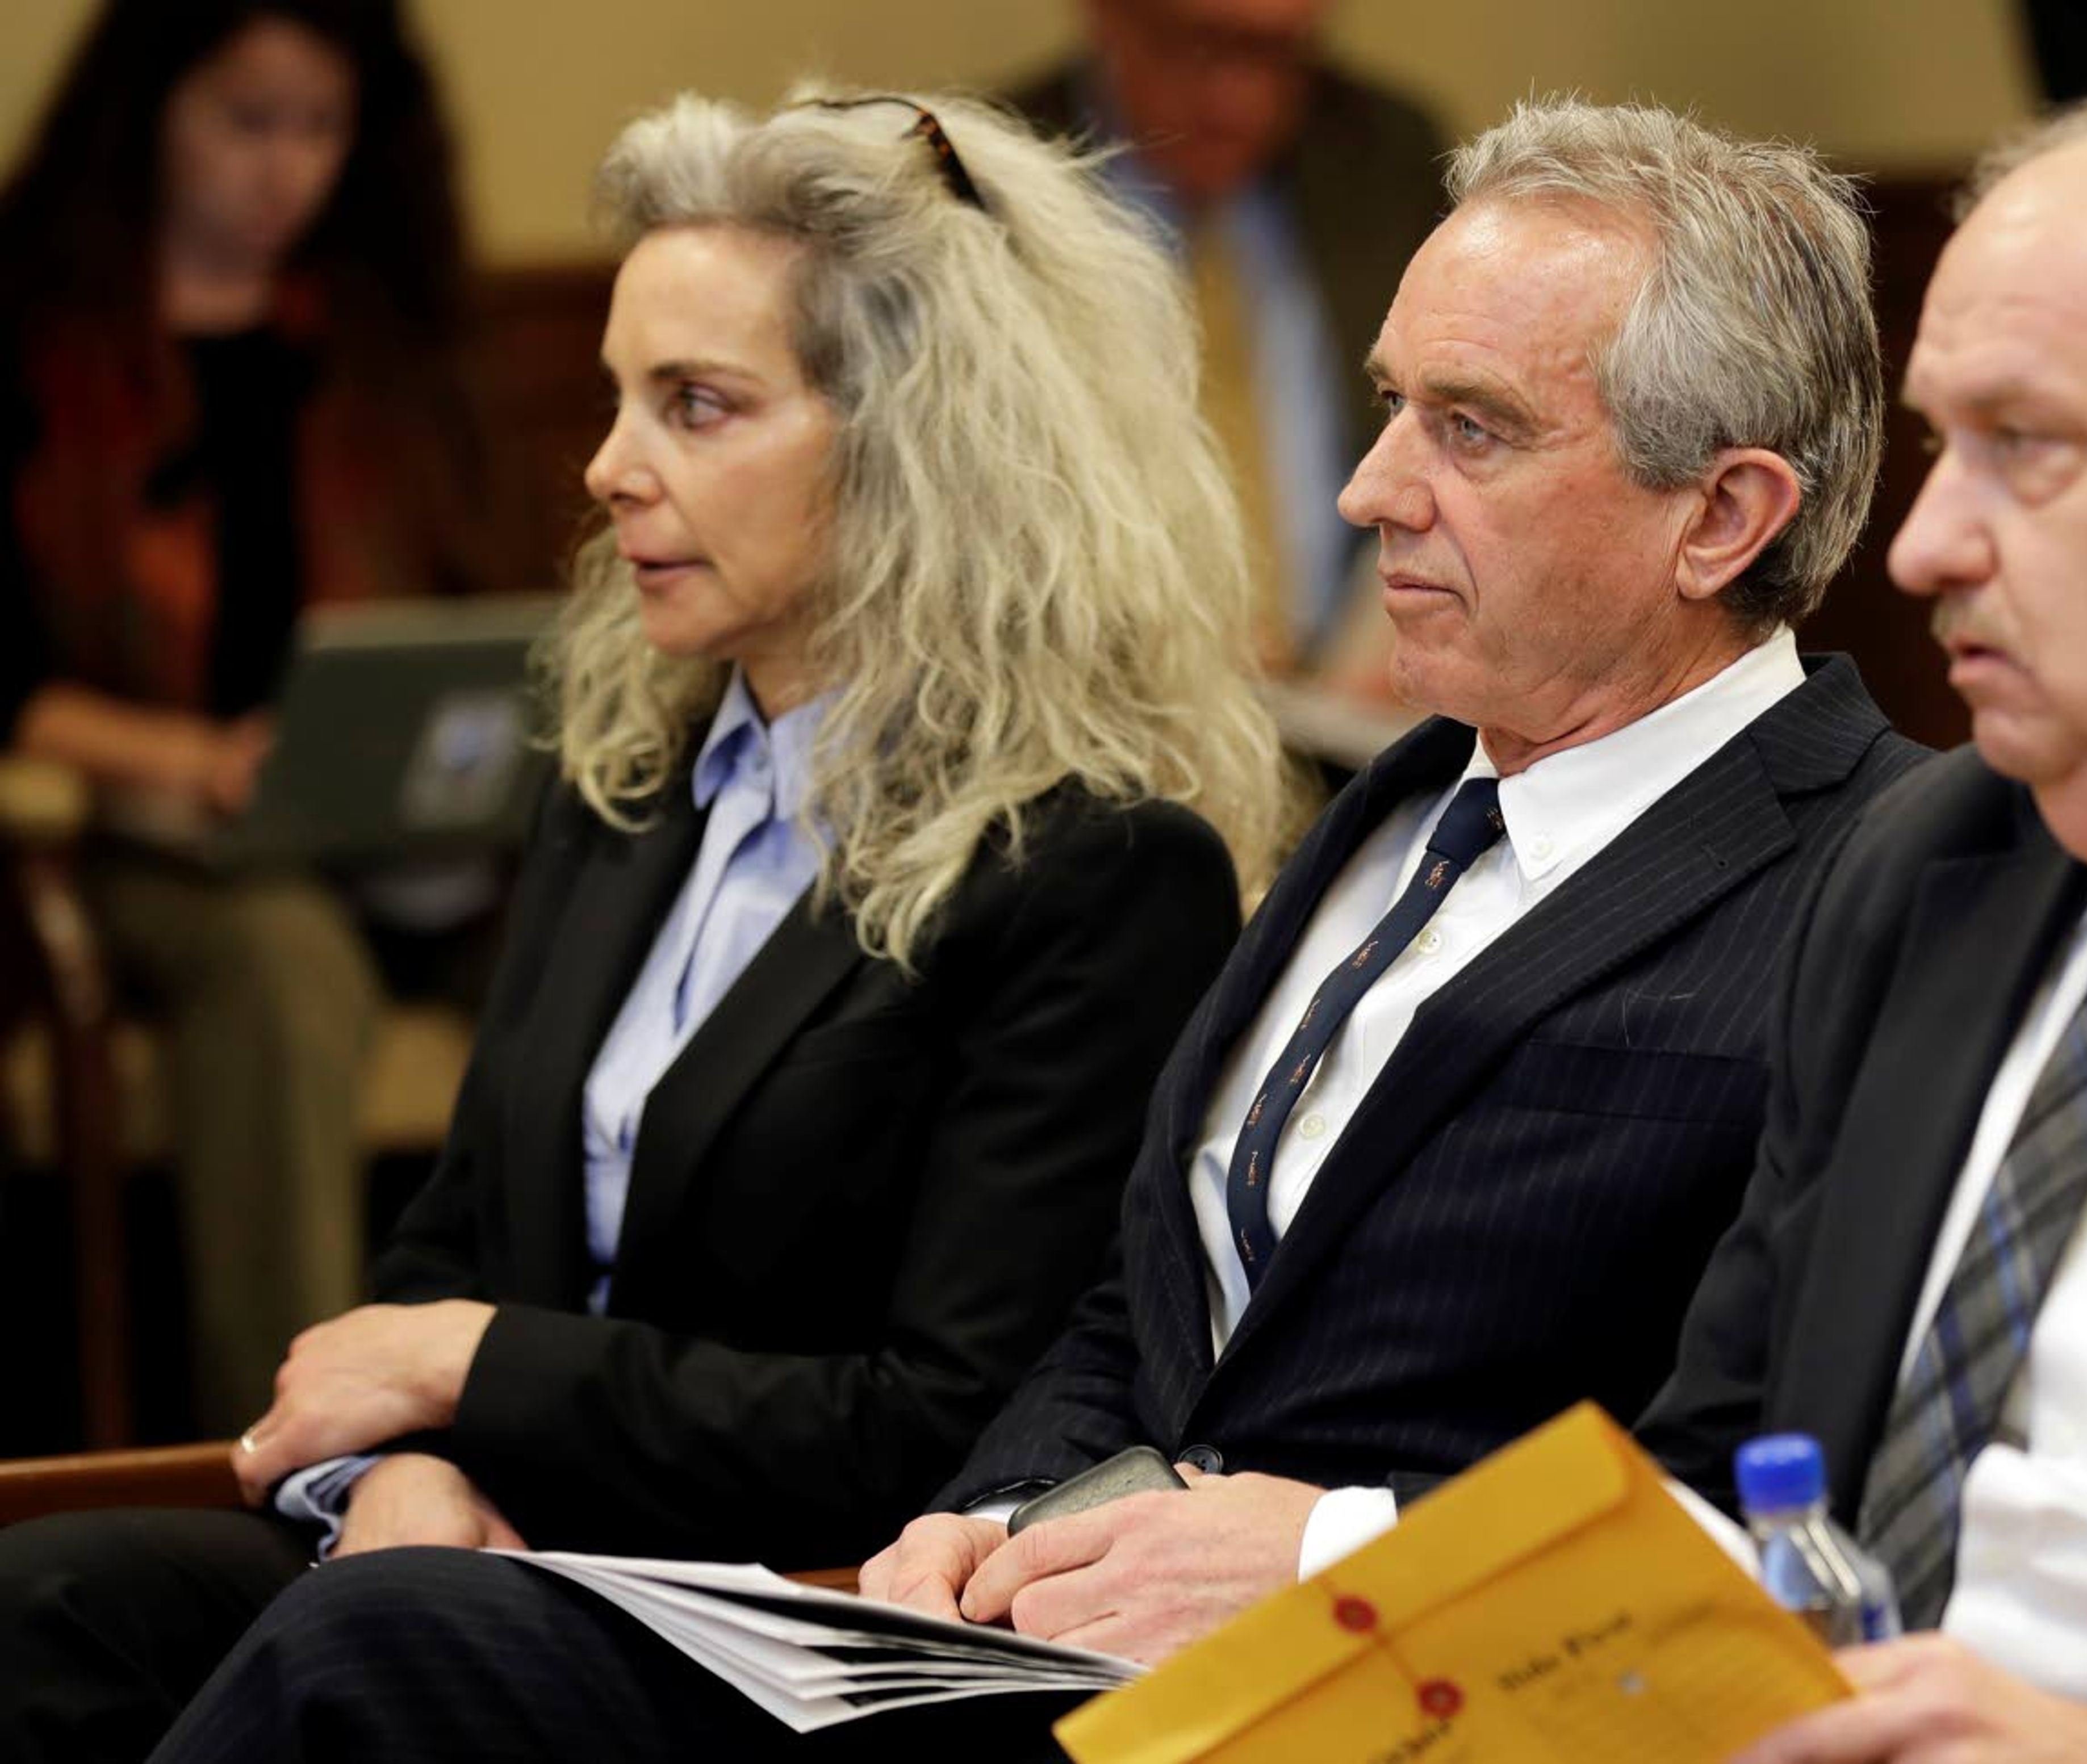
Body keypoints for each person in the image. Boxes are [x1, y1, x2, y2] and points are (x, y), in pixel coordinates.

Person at [141, 96, 1927, 1763]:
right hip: (1022, 1647)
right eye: (1385, 407)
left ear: (1721, 517)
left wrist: (1322, 1550)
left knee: (373, 1664)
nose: (1366, 489)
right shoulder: (1396, 807)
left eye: (1465, 429)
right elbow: (1126, 1301)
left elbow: (1796, 1489)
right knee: (99, 1614)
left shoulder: (1878, 871)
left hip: (1405, 1703)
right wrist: (974, 1526)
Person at [0, 86, 1290, 1763]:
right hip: (483, 1542)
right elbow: (447, 1241)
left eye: (695, 405)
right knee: (42, 1603)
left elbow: (940, 1421)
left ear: (918, 447)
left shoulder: (1100, 869)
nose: (610, 469)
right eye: (620, 400)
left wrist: (476, 1370)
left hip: (783, 1613)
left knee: (356, 1659)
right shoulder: (629, 781)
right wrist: (411, 1465)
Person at [1625, 78, 2087, 1763]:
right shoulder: (1923, 868)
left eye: (2030, 445)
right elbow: (1717, 1469)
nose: (1926, 542)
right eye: (1940, 445)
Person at [0, 0, 497, 1431]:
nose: (283, 169)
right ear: (150, 113)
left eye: (318, 128)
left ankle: (604, 1400)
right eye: (246, 121)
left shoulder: (382, 336)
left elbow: (478, 595)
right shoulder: (37, 339)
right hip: (135, 831)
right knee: (283, 960)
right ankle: (295, 1440)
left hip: (398, 822)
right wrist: (191, 763)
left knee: (598, 915)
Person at [1006, 0, 1446, 682]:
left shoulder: (1388, 163)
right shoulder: (984, 180)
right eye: (1199, 48)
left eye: (1280, 55)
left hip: (1350, 726)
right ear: (1106, 18)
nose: (1240, 102)